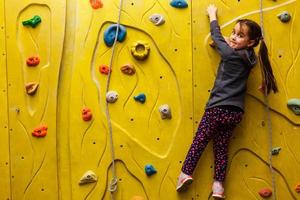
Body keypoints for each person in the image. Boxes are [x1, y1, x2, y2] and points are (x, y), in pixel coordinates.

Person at [176, 4, 278, 199]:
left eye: (239, 35)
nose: (233, 37)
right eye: (233, 32)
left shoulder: (230, 54)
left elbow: (216, 36)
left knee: (200, 141)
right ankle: (218, 187)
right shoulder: (251, 58)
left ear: (251, 42)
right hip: (235, 113)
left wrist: (213, 16)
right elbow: (226, 43)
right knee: (221, 148)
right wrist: (227, 42)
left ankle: (185, 173)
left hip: (217, 108)